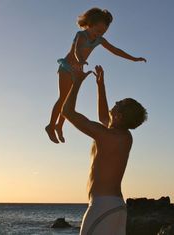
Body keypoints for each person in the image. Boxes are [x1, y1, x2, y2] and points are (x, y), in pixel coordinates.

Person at [61, 65, 147, 235]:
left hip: (102, 206)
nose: (115, 103)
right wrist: (100, 85)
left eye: (119, 104)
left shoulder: (107, 136)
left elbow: (67, 112)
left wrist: (76, 82)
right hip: (116, 208)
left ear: (119, 116)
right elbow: (104, 117)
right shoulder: (124, 137)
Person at [45, 7, 147, 144]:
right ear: (89, 25)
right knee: (63, 98)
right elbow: (76, 50)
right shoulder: (81, 35)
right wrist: (80, 60)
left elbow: (115, 50)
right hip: (67, 68)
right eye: (98, 31)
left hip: (77, 71)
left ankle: (59, 126)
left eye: (103, 32)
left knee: (68, 100)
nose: (99, 34)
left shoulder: (99, 40)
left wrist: (133, 58)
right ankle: (51, 126)